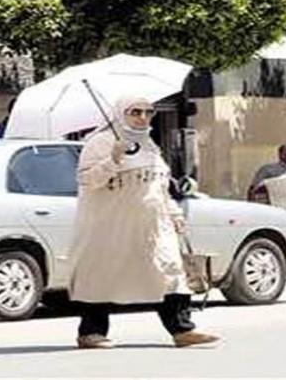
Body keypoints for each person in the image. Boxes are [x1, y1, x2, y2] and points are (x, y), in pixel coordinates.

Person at [68, 96, 219, 349]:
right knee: (102, 276)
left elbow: (158, 186)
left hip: (153, 225)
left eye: (149, 112)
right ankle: (91, 332)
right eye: (135, 111)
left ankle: (182, 330)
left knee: (169, 272)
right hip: (111, 226)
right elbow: (87, 181)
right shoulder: (100, 142)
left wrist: (174, 214)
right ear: (120, 113)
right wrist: (113, 159)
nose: (143, 117)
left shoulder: (149, 145)